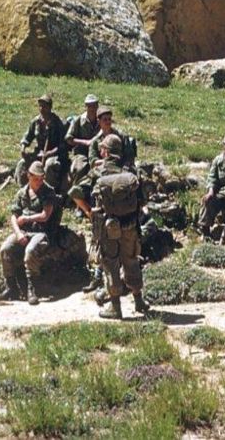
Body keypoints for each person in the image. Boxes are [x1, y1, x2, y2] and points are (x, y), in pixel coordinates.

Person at [72, 134, 149, 319]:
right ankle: (139, 301)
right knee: (131, 260)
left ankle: (115, 307)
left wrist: (89, 212)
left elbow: (75, 192)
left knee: (110, 264)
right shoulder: (130, 171)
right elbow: (143, 197)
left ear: (105, 151)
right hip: (130, 225)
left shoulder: (98, 172)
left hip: (108, 227)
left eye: (102, 148)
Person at [0, 161, 61, 305]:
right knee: (5, 249)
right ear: (28, 176)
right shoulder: (22, 193)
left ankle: (33, 288)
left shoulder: (48, 191)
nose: (39, 182)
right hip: (24, 231)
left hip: (42, 232)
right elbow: (14, 215)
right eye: (35, 178)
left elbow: (45, 215)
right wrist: (18, 233)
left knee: (31, 251)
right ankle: (11, 287)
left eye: (41, 178)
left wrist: (26, 218)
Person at [15, 95, 67, 190]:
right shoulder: (36, 122)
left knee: (49, 165)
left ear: (50, 107)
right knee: (22, 163)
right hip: (39, 152)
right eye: (40, 106)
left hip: (54, 154)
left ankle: (48, 191)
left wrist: (49, 153)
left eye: (44, 106)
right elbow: (27, 137)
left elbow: (63, 144)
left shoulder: (57, 122)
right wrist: (23, 147)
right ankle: (24, 190)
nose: (42, 109)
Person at [65, 94, 100, 184]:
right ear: (86, 107)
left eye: (94, 106)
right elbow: (69, 138)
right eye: (89, 106)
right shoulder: (79, 120)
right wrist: (86, 142)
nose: (92, 109)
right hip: (81, 153)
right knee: (79, 169)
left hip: (97, 154)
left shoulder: (101, 120)